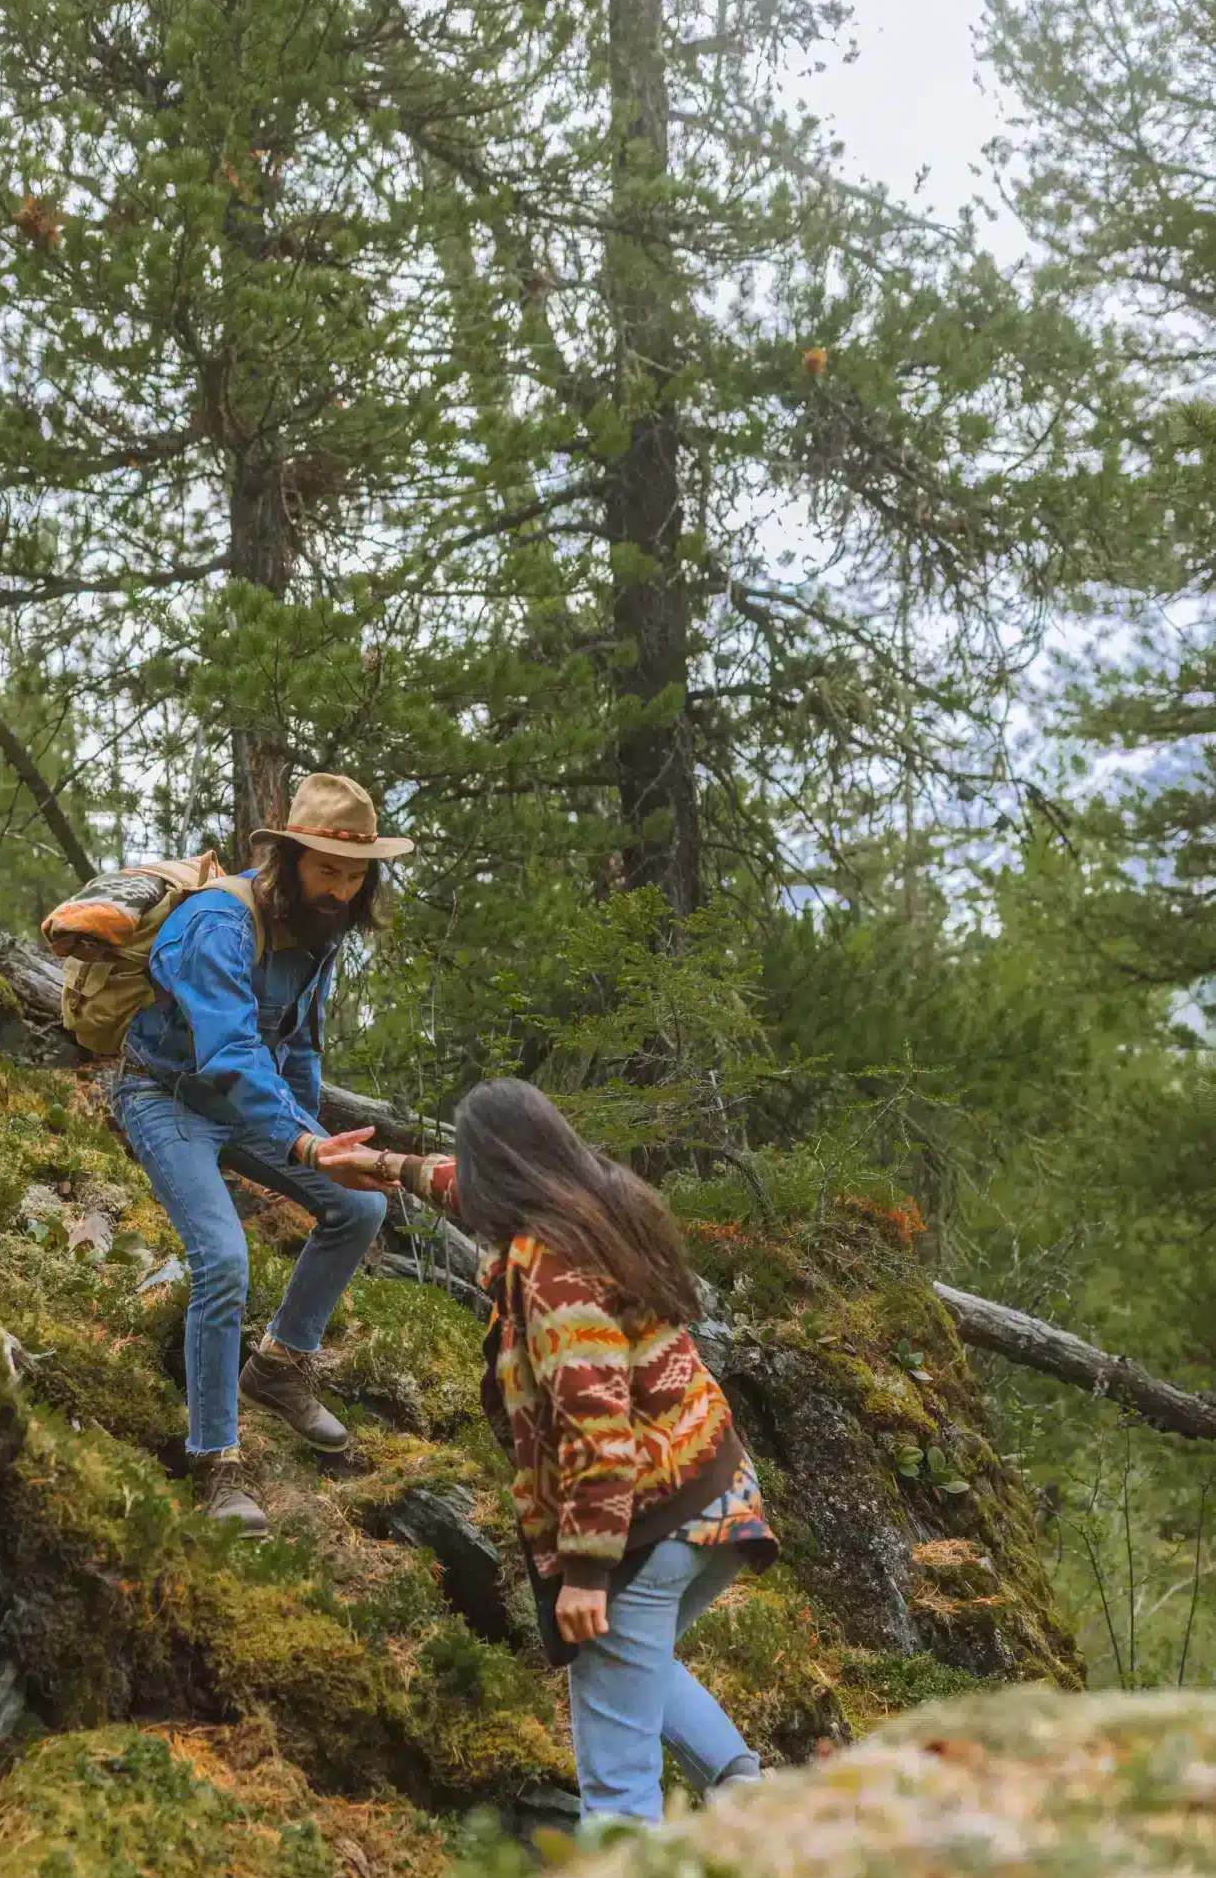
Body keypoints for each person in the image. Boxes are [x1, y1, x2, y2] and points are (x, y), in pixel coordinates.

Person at [320, 1078, 775, 1823]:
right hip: (715, 1493)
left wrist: (587, 1574)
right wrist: (384, 1167)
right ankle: (739, 1790)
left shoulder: (552, 1268)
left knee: (616, 1782)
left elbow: (597, 1429)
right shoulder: (592, 1201)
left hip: (645, 1525)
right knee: (636, 1663)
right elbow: (459, 1188)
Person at [106, 773, 412, 1536]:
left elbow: (297, 1046)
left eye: (354, 874)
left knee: (357, 1206)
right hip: (165, 1095)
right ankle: (217, 1461)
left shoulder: (318, 931)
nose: (341, 889)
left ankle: (276, 1369)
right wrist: (302, 1142)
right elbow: (232, 1050)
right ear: (288, 860)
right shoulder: (220, 924)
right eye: (328, 870)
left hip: (241, 1106)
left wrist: (316, 1142)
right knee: (222, 1260)